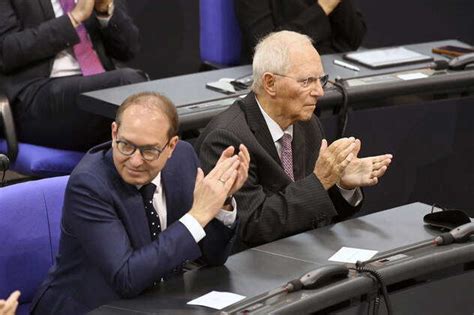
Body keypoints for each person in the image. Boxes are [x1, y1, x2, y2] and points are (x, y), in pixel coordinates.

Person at [30, 92, 250, 315]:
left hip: (160, 300)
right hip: (92, 306)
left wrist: (220, 204)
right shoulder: (89, 184)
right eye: (126, 145)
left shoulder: (183, 159)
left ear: (172, 146)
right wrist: (198, 216)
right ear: (114, 132)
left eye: (149, 150)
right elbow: (126, 277)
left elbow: (212, 257)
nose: (135, 160)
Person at [195, 31, 392, 250]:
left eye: (321, 80)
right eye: (307, 81)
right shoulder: (227, 138)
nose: (319, 92)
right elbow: (250, 227)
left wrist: (341, 184)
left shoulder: (307, 124)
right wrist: (320, 182)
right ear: (270, 83)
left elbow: (316, 211)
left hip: (303, 252)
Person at [0, 0, 148, 151]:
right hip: (36, 96)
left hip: (98, 87)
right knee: (130, 87)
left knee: (148, 102)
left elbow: (129, 48)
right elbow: (5, 52)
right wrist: (74, 18)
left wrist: (105, 11)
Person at [235, 0, 366, 63]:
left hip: (329, 67)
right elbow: (267, 46)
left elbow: (354, 38)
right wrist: (323, 8)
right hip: (279, 72)